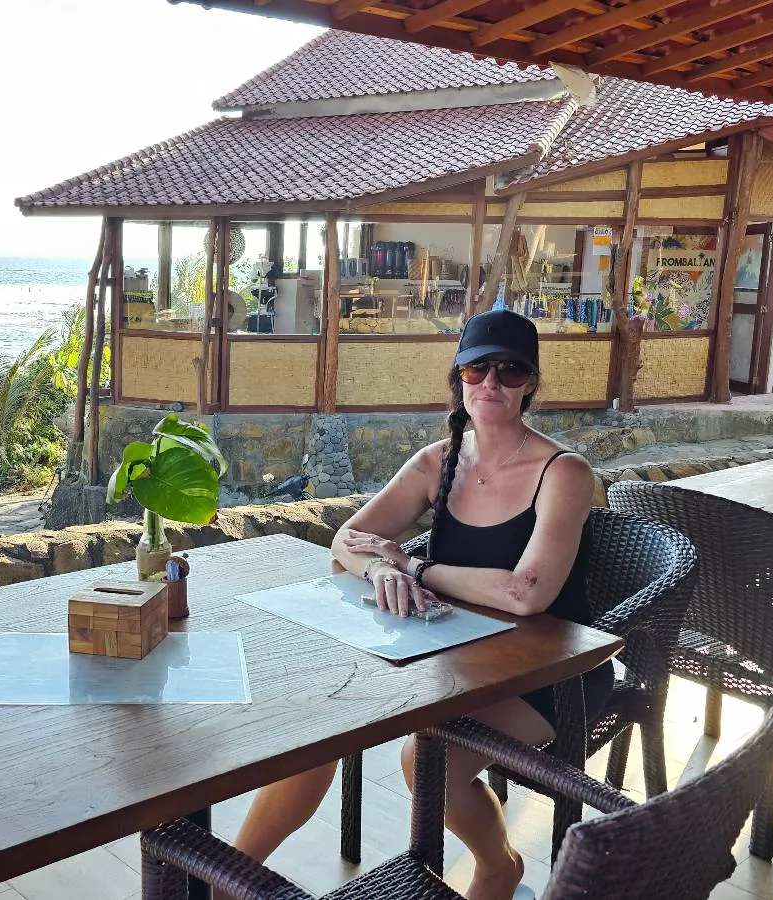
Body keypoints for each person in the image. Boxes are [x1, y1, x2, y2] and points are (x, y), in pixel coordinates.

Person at [231, 310, 604, 900]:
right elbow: (345, 540)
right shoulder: (439, 461)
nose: (491, 383)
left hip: (550, 672)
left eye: (510, 371)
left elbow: (526, 594)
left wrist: (415, 566)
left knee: (426, 758)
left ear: (531, 383)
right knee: (317, 723)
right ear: (458, 375)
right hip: (450, 650)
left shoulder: (564, 473)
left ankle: (497, 864)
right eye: (478, 367)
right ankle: (228, 879)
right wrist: (381, 566)